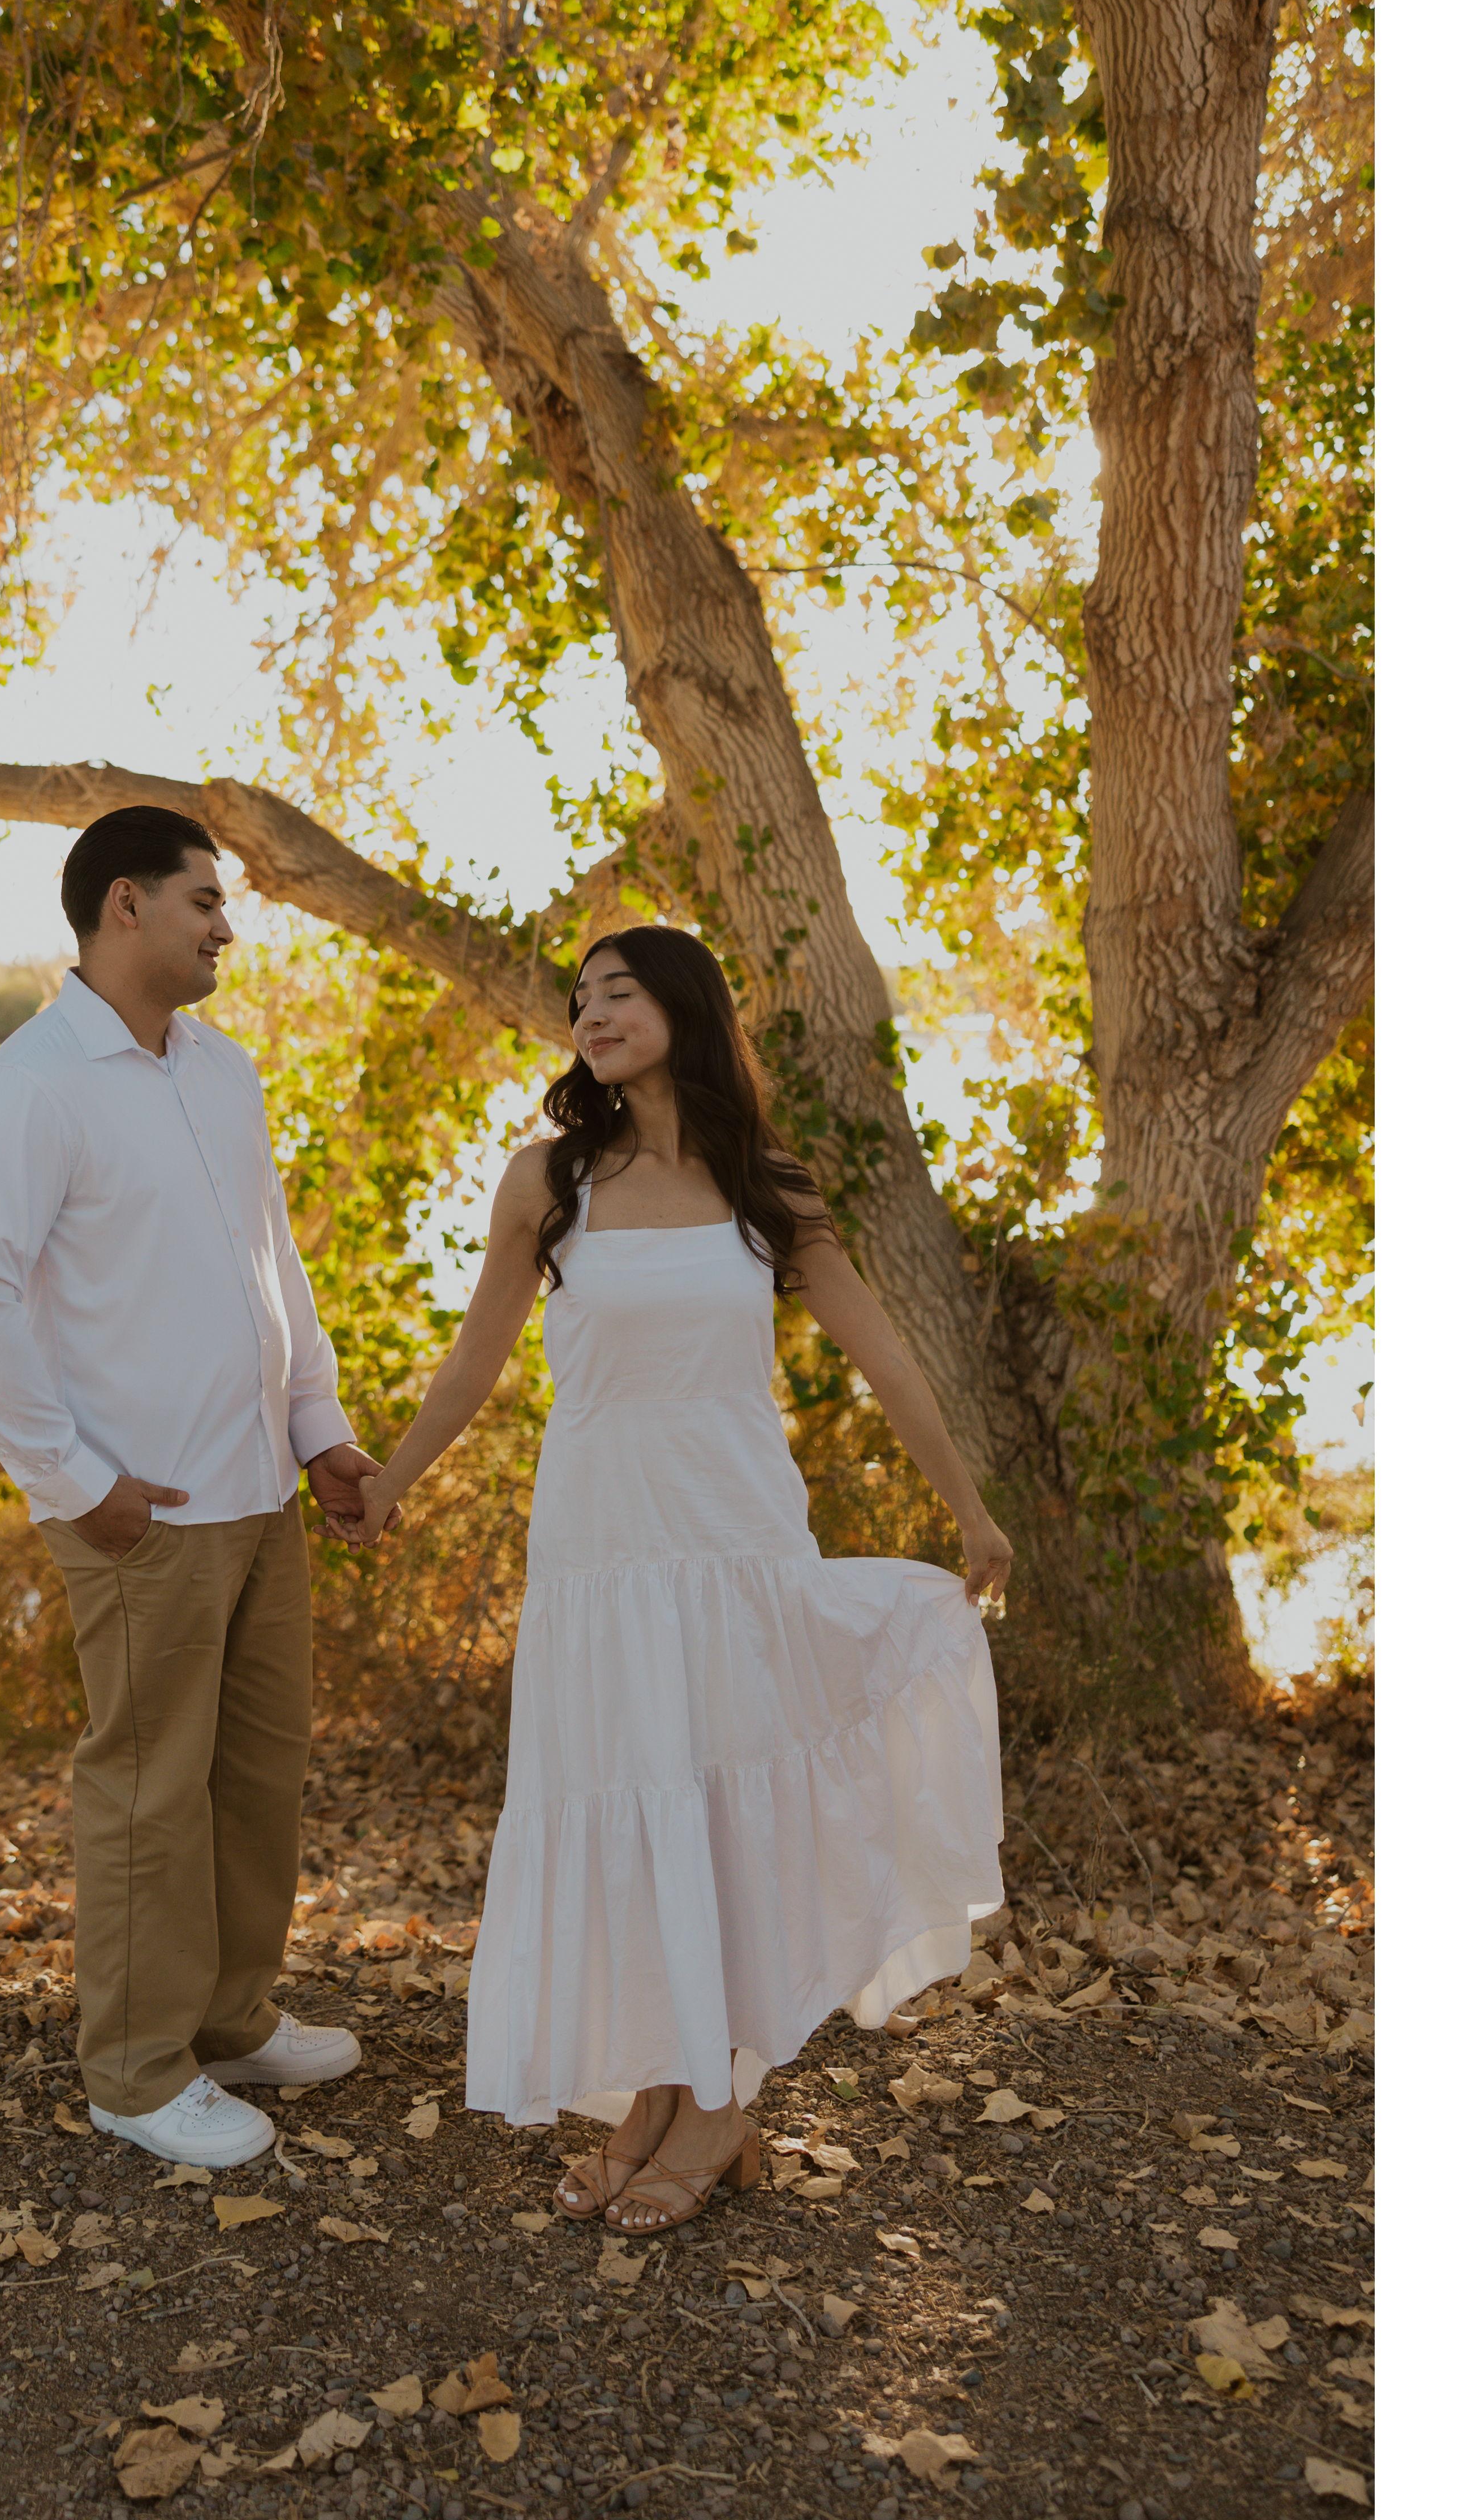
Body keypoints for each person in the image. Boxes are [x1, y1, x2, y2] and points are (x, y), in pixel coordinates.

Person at [342, 926, 1013, 2233]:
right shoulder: (547, 1179)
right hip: (598, 1542)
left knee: (717, 1804)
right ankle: (658, 2089)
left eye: (619, 990)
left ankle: (713, 2103)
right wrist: (394, 1478)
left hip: (731, 1533)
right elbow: (475, 1358)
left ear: (683, 1006)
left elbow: (882, 1355)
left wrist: (967, 1508)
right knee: (627, 1793)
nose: (589, 1013)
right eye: (578, 998)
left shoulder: (765, 1184)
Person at [0, 805, 387, 2168]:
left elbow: (269, 1264)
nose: (225, 927)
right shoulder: (29, 1086)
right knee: (147, 1788)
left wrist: (319, 1428)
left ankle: (228, 2018)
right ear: (123, 904)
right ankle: (133, 2071)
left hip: (260, 1490)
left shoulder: (222, 1070)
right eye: (204, 900)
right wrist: (76, 1481)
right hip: (143, 1510)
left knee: (254, 1775)